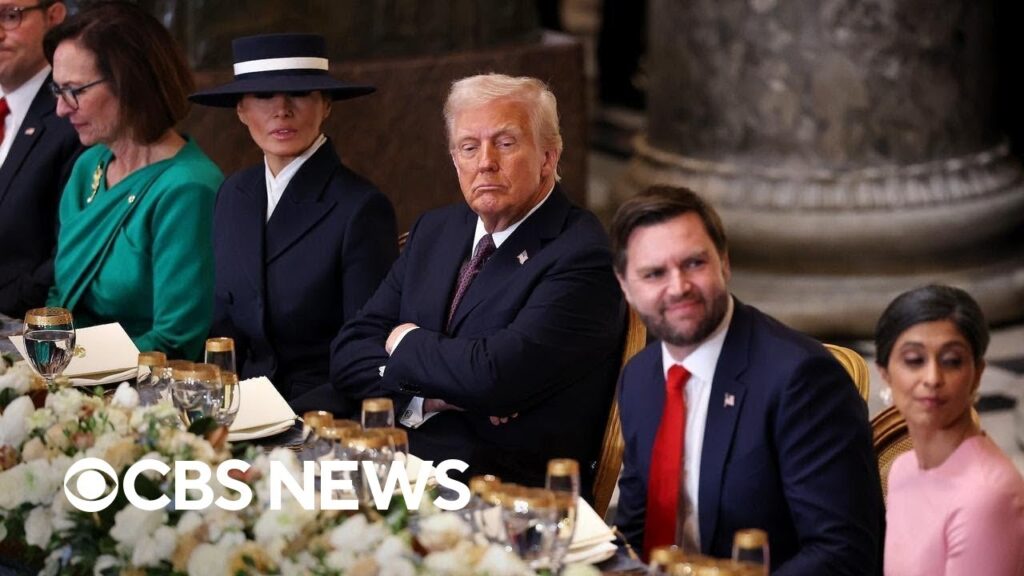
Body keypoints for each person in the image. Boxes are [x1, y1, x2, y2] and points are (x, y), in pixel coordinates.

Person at [330, 73, 624, 488]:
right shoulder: (436, 230)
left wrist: (404, 340)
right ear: (455, 159)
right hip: (401, 458)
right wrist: (433, 395)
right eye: (469, 147)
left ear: (548, 157)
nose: (485, 161)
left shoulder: (581, 253)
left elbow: (495, 377)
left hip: (500, 487)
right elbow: (348, 350)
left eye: (505, 143)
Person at [611, 185, 882, 573]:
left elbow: (844, 552)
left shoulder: (801, 380)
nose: (678, 287)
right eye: (654, 274)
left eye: (693, 264)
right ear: (625, 286)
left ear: (724, 263)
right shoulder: (639, 378)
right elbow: (636, 532)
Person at [189, 33, 397, 402]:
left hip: (319, 412)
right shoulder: (233, 194)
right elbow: (222, 331)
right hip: (239, 405)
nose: (281, 110)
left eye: (299, 94)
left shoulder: (361, 208)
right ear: (240, 109)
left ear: (326, 104)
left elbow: (364, 355)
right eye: (264, 96)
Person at [43, 3, 222, 359]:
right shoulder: (89, 166)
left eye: (74, 91)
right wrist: (41, 357)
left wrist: (70, 366)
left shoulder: (188, 188)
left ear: (130, 83)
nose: (62, 109)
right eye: (57, 90)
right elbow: (60, 299)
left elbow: (175, 342)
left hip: (142, 395)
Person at [876, 285, 1024, 576]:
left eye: (952, 361)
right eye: (914, 360)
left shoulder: (986, 497)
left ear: (977, 373)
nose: (932, 378)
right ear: (885, 373)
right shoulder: (902, 468)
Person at [0, 0, 82, 317]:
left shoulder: (76, 118)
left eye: (10, 16)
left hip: (27, 334)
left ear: (54, 16)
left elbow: (68, 254)